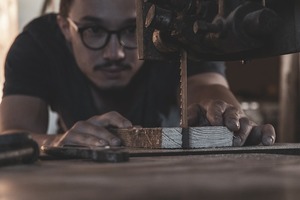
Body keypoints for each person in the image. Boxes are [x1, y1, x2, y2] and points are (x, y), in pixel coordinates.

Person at [0, 0, 275, 148]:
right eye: (93, 30)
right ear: (63, 27)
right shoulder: (38, 44)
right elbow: (12, 134)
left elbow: (207, 85)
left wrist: (222, 114)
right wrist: (54, 142)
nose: (114, 54)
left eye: (132, 30)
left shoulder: (175, 33)